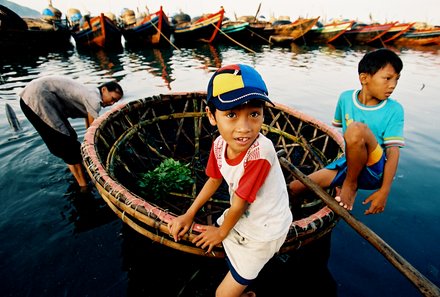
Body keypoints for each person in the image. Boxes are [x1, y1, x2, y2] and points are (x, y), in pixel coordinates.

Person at [168, 64, 292, 297]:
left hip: (265, 229)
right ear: (211, 115)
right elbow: (214, 180)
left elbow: (239, 204)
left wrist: (221, 232)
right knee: (214, 232)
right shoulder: (218, 145)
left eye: (254, 114)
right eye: (231, 115)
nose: (244, 128)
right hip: (243, 216)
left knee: (221, 296)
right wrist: (189, 213)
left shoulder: (261, 153)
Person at [290, 48, 404, 215]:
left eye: (396, 79)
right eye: (387, 78)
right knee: (295, 188)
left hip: (374, 169)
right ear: (364, 78)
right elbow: (345, 135)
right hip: (349, 163)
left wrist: (384, 191)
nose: (393, 85)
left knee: (356, 129)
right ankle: (296, 214)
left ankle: (351, 184)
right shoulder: (345, 98)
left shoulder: (394, 109)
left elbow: (393, 152)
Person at [19, 75, 123, 191]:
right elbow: (92, 133)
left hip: (34, 98)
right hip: (36, 99)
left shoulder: (90, 91)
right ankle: (83, 186)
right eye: (113, 98)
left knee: (69, 139)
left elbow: (88, 126)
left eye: (116, 101)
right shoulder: (95, 100)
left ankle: (80, 173)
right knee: (66, 144)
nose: (112, 103)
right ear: (104, 89)